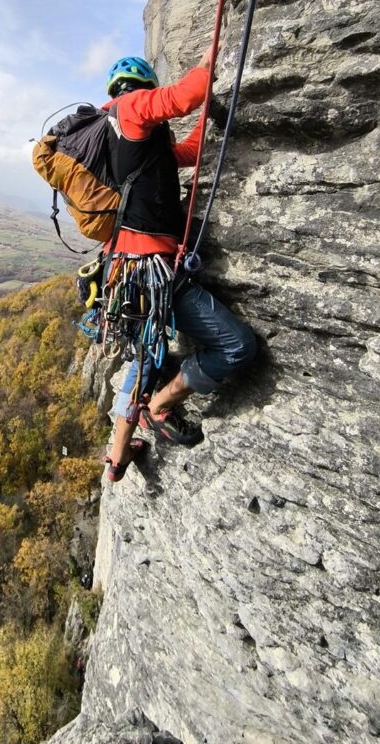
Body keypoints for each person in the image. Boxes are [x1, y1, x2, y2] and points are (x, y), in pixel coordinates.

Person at [101, 51, 256, 483]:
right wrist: (210, 61)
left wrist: (211, 116)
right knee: (236, 346)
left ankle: (116, 459)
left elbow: (186, 152)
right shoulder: (131, 108)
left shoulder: (139, 141)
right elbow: (182, 97)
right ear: (140, 86)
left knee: (147, 355)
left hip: (132, 272)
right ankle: (160, 406)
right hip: (153, 271)